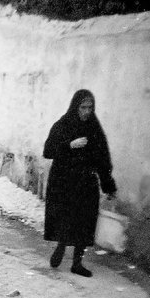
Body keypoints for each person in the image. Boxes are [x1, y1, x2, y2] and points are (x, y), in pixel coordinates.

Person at [42, 89, 117, 278]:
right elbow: (48, 150)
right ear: (75, 107)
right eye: (83, 107)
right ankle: (60, 248)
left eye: (90, 107)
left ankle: (77, 263)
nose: (87, 111)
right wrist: (69, 144)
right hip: (65, 181)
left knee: (85, 221)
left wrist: (108, 185)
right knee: (67, 218)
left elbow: (103, 159)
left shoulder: (94, 128)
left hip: (86, 182)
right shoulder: (63, 124)